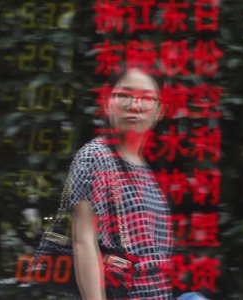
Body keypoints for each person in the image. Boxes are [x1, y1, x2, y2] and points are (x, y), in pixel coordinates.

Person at [70, 67, 174, 299]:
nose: (134, 105)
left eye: (147, 98)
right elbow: (83, 242)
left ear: (159, 110)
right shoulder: (95, 156)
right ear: (107, 103)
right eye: (125, 95)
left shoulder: (145, 167)